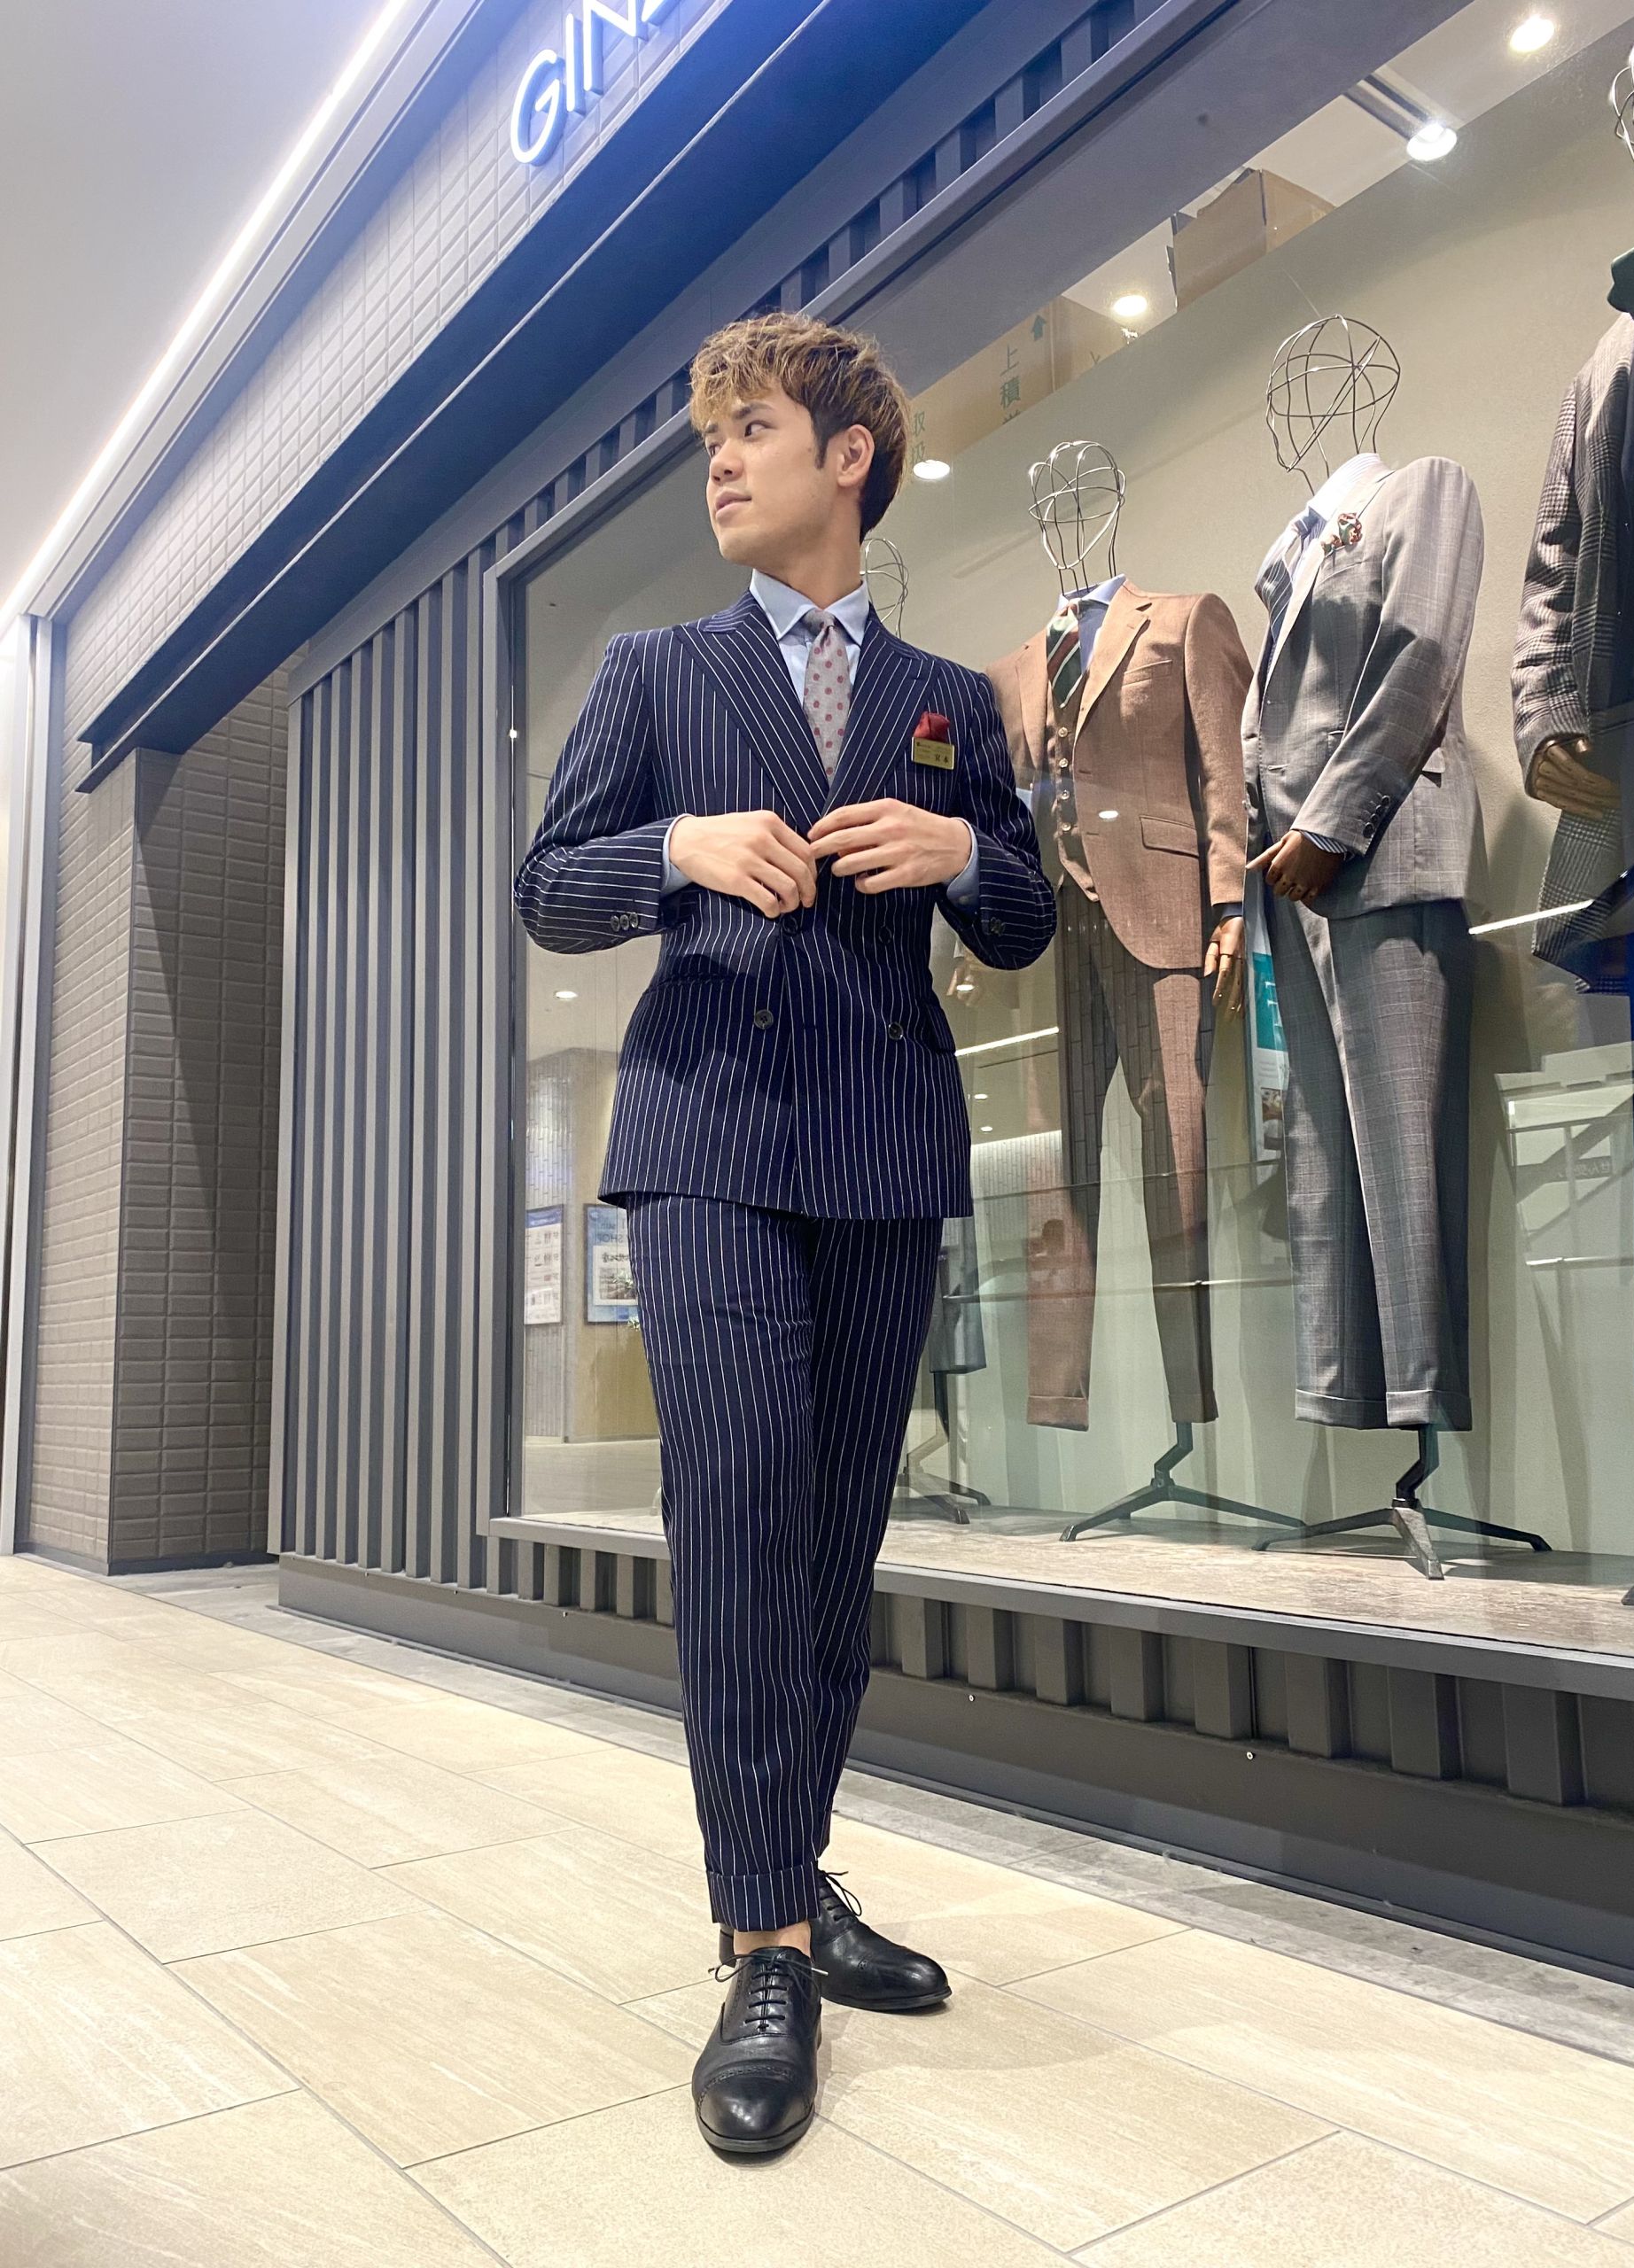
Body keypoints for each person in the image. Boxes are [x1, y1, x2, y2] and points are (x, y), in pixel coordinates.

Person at [515, 311, 1054, 2158]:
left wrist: (964, 856)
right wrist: (678, 847)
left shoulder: (946, 696)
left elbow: (1024, 916)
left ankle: (792, 1874)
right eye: (711, 439)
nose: (721, 462)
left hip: (885, 1153)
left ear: (851, 457)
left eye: (751, 428)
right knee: (739, 1511)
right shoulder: (655, 671)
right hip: (709, 1145)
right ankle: (761, 1944)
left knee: (831, 1545)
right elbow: (547, 887)